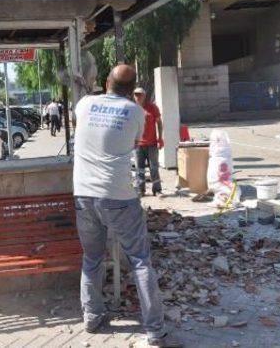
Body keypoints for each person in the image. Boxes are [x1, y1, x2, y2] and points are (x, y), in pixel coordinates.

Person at [73, 64, 181, 347]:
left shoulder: (84, 104)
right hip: (118, 197)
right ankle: (155, 331)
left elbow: (82, 127)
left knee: (92, 258)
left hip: (83, 194)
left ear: (107, 81)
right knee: (140, 260)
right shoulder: (137, 112)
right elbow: (132, 143)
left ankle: (92, 317)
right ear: (133, 88)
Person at [133, 87, 164, 196]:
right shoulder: (132, 109)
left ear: (144, 96)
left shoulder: (152, 107)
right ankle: (141, 190)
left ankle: (157, 189)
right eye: (136, 95)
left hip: (152, 144)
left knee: (154, 168)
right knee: (139, 169)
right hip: (138, 145)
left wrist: (160, 138)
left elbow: (159, 123)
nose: (137, 97)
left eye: (140, 95)